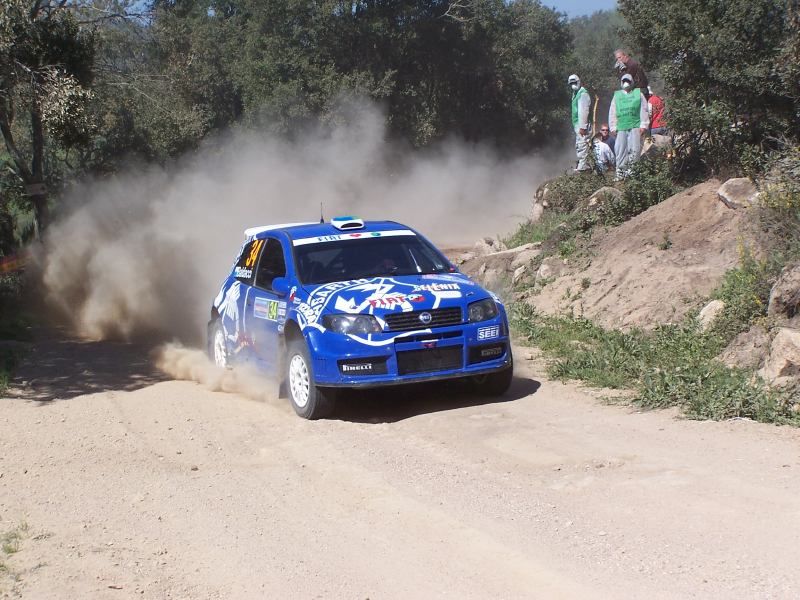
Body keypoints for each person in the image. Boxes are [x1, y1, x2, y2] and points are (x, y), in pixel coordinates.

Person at [609, 73, 649, 180]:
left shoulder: (638, 94)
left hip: (635, 126)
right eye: (624, 81)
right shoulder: (617, 96)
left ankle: (633, 173)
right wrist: (613, 127)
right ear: (621, 82)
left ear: (632, 83)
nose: (626, 83)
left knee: (634, 150)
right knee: (620, 150)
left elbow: (644, 109)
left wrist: (644, 125)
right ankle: (620, 173)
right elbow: (612, 112)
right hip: (621, 127)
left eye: (628, 81)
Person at [568, 74, 591, 172]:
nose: (573, 84)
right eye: (571, 83)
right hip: (578, 124)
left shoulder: (583, 93)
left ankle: (583, 167)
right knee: (579, 145)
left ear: (578, 81)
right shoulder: (575, 93)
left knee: (582, 144)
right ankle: (581, 165)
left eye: (574, 82)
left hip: (582, 125)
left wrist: (583, 126)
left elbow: (584, 111)